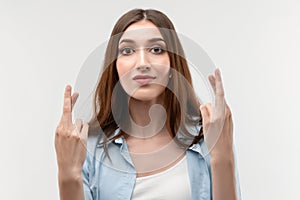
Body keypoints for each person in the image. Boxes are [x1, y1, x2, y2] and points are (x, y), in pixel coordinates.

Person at [55, 8, 242, 200]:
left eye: (156, 50)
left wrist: (222, 157)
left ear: (172, 65)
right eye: (127, 51)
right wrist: (68, 175)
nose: (142, 63)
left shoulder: (207, 138)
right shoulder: (90, 147)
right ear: (115, 67)